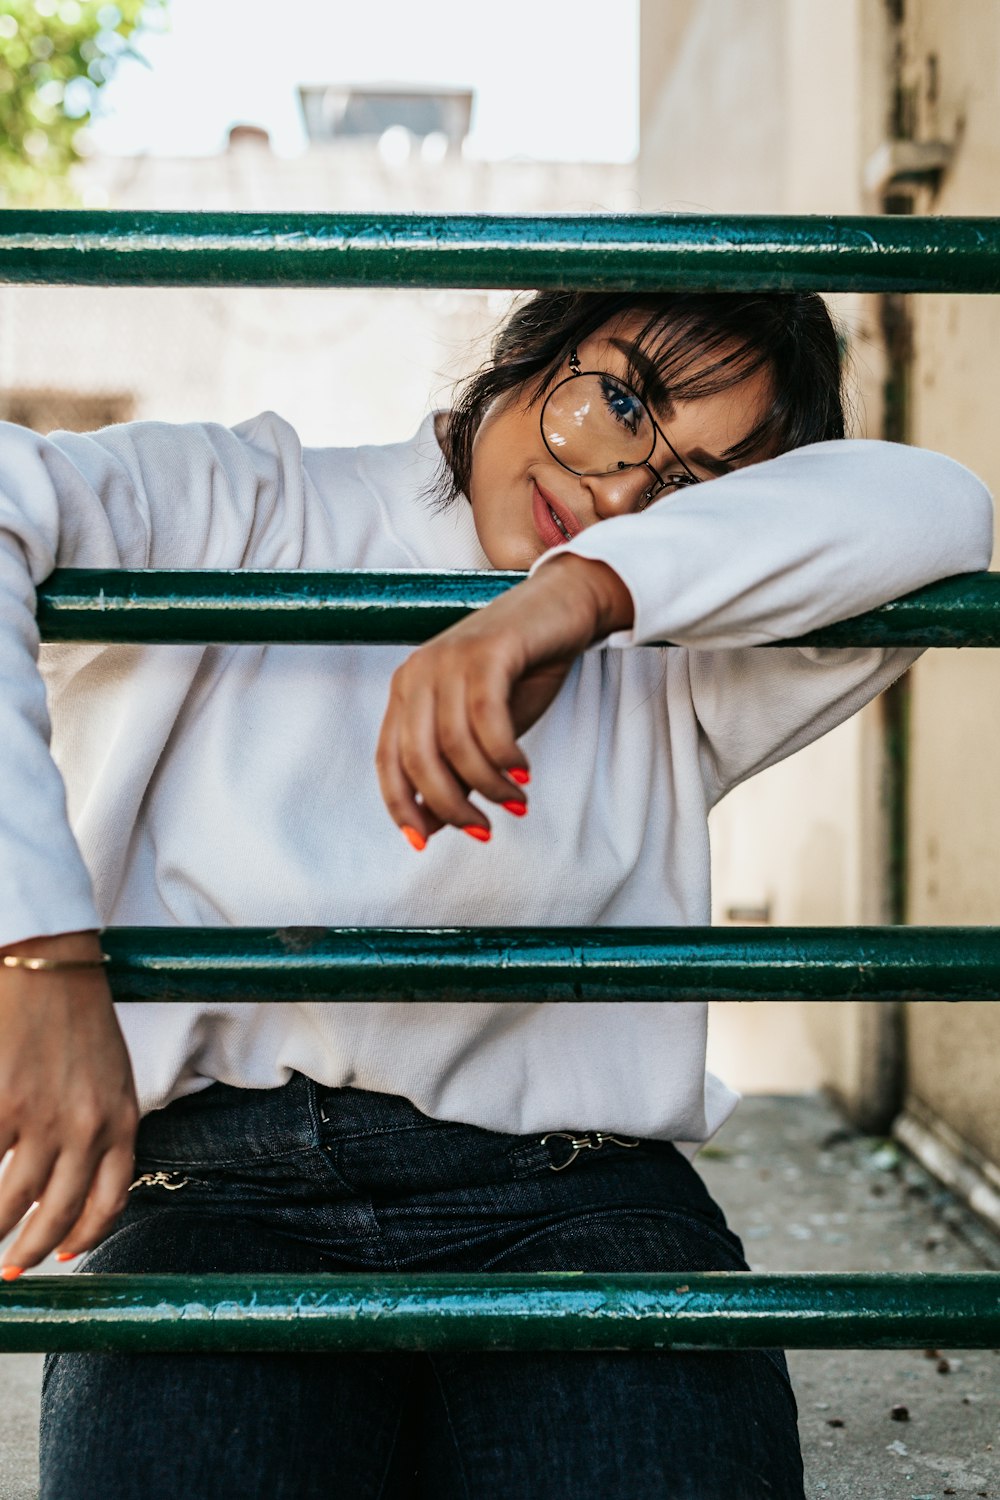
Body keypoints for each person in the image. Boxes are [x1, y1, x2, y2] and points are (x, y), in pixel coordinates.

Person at [0, 289, 990, 1499]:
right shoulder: (250, 498)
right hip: (212, 1189)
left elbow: (941, 508)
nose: (621, 487)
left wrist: (575, 597)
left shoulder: (677, 648)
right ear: (524, 353)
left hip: (576, 1195)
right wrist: (38, 955)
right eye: (618, 400)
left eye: (695, 486)